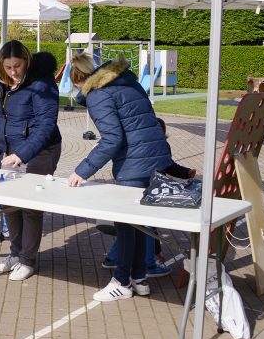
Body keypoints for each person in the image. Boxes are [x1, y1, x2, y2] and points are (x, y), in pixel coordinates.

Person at [67, 52, 174, 302]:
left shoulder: (98, 95)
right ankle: (139, 278)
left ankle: (122, 281)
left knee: (126, 226)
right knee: (140, 224)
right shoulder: (127, 81)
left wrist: (81, 171)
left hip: (133, 165)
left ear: (78, 81)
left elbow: (113, 139)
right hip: (155, 159)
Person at [0, 41, 62, 281]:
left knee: (30, 207)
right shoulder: (0, 82)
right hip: (8, 149)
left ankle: (28, 260)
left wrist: (23, 153)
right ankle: (15, 254)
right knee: (8, 204)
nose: (13, 71)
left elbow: (47, 124)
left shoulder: (41, 84)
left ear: (27, 61)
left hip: (40, 151)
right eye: (8, 67)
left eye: (17, 66)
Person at [100, 117, 196, 274]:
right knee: (145, 226)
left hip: (128, 182)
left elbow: (169, 165)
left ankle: (113, 258)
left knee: (130, 224)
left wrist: (185, 172)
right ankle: (148, 264)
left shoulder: (133, 143)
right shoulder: (161, 146)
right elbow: (169, 165)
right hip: (148, 188)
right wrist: (157, 250)